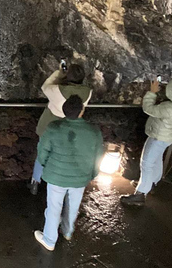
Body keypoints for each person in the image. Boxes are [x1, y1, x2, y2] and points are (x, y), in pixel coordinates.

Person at [34, 95, 104, 251]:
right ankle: (67, 232)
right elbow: (98, 156)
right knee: (73, 205)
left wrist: (47, 166)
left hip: (56, 176)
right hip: (80, 177)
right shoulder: (93, 131)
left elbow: (42, 151)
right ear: (82, 111)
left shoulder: (53, 127)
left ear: (63, 110)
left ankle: (50, 240)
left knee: (54, 208)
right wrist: (92, 173)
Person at [120, 76, 172, 206]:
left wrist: (152, 92)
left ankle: (140, 194)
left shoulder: (169, 108)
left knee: (146, 163)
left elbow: (148, 109)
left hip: (158, 137)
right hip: (167, 136)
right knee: (156, 159)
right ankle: (151, 183)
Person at [29, 62, 93, 195]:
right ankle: (57, 182)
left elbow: (45, 86)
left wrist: (58, 73)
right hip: (70, 127)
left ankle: (35, 182)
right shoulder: (87, 92)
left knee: (43, 153)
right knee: (62, 154)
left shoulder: (58, 90)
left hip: (49, 123)